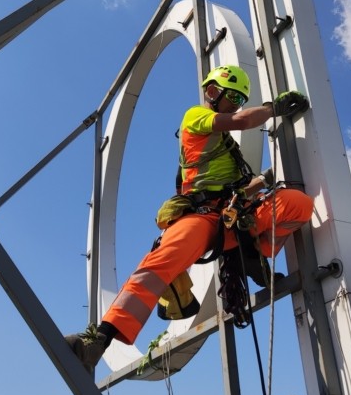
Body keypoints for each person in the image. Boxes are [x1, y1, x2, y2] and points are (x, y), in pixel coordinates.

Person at [65, 65, 314, 370]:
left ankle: (256, 257)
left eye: (239, 99)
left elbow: (236, 188)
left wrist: (264, 180)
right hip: (202, 216)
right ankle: (98, 341)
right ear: (212, 93)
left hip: (233, 214)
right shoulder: (195, 117)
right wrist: (273, 108)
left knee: (296, 203)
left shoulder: (226, 148)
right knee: (162, 262)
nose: (234, 103)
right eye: (230, 96)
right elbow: (243, 120)